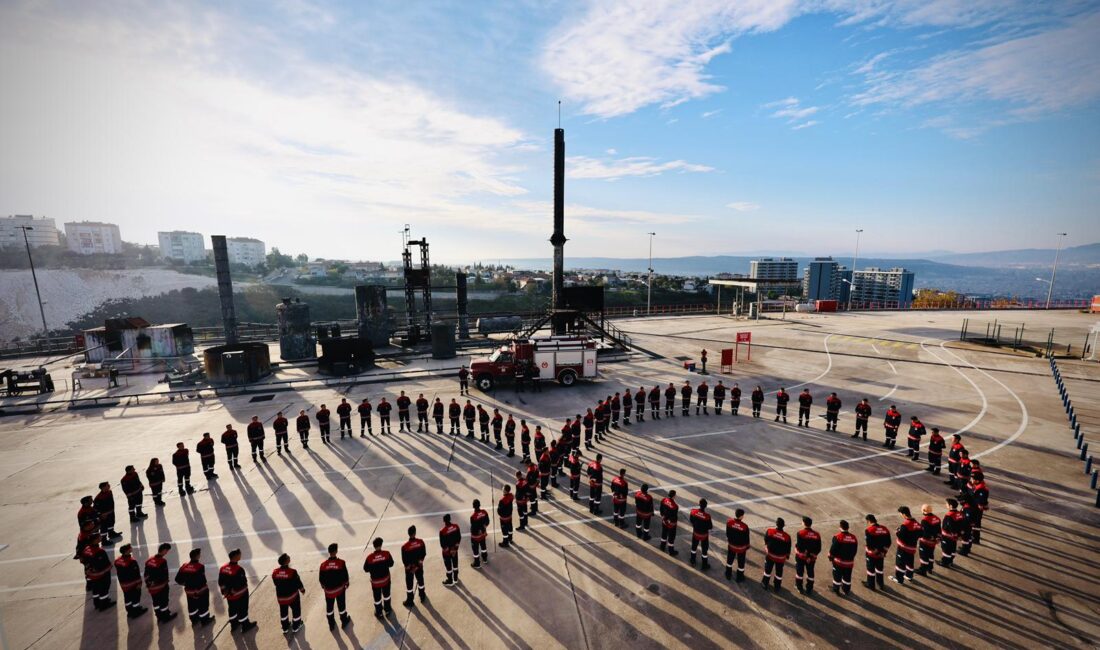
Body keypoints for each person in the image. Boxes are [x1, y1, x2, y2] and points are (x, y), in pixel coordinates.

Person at [219, 549, 256, 632]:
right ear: (235, 557)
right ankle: (245, 625)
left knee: (232, 609)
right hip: (240, 594)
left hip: (229, 595)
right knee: (242, 609)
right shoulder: (238, 569)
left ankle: (234, 624)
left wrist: (225, 592)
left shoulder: (223, 568)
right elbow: (242, 583)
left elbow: (220, 582)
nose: (240, 555)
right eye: (239, 554)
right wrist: (234, 591)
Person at [175, 548, 214, 625]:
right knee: (203, 605)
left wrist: (186, 584)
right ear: (197, 556)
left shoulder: (184, 566)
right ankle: (205, 620)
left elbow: (177, 579)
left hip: (189, 591)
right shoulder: (200, 566)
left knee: (192, 605)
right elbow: (202, 581)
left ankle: (194, 620)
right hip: (200, 591)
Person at [319, 543, 352, 629]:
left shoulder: (323, 565)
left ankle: (331, 624)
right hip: (340, 590)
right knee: (341, 606)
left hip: (328, 592)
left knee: (329, 607)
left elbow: (321, 579)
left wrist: (324, 586)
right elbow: (345, 575)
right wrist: (346, 583)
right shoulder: (341, 563)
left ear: (329, 552)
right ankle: (344, 621)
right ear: (336, 551)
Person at [145, 543, 177, 622]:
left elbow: (146, 574)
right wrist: (165, 582)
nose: (167, 552)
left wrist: (149, 583)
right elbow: (163, 575)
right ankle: (166, 616)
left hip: (152, 587)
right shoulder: (162, 561)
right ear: (164, 550)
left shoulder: (149, 560)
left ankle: (159, 616)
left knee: (156, 602)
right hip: (161, 586)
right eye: (167, 551)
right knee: (164, 601)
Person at [81, 533, 115, 611]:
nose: (100, 538)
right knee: (104, 588)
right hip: (102, 574)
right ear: (95, 540)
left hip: (93, 575)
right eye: (99, 537)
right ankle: (104, 603)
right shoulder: (99, 551)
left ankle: (97, 603)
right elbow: (104, 563)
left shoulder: (86, 549)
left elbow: (84, 560)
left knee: (95, 589)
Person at [273, 553, 306, 632]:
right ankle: (296, 625)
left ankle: (285, 627)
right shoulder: (292, 572)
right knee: (296, 610)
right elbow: (298, 582)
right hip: (292, 596)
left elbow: (275, 583)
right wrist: (302, 590)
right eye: (288, 557)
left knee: (283, 612)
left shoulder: (275, 572)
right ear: (286, 561)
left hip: (281, 598)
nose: (289, 557)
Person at [363, 538, 394, 618]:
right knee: (386, 595)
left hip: (375, 583)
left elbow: (365, 569)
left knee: (377, 598)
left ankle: (379, 612)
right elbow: (391, 564)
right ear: (381, 545)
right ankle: (387, 610)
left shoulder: (369, 558)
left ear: (374, 546)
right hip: (386, 580)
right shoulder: (386, 554)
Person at [892, 506, 921, 584]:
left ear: (904, 514)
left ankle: (899, 579)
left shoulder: (905, 524)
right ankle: (909, 576)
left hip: (903, 548)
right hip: (912, 548)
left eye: (901, 514)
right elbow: (921, 533)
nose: (901, 515)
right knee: (910, 562)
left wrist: (897, 532)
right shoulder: (916, 523)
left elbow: (901, 536)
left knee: (900, 563)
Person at [761, 518, 792, 592]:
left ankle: (765, 583)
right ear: (783, 526)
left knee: (768, 570)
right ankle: (777, 587)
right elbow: (788, 548)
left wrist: (767, 547)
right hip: (780, 558)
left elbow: (766, 540)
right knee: (779, 572)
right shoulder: (787, 537)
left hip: (770, 556)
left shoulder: (769, 531)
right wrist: (787, 556)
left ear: (776, 524)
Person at [828, 520, 858, 596]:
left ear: (840, 527)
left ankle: (836, 590)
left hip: (839, 562)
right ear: (848, 527)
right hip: (849, 563)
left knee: (837, 577)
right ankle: (846, 590)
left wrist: (830, 557)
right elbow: (855, 550)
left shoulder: (837, 537)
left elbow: (833, 550)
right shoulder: (854, 538)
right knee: (847, 577)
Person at [794, 516, 821, 595]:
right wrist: (811, 556)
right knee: (810, 572)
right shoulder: (817, 535)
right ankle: (809, 589)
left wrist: (796, 548)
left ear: (804, 523)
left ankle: (799, 587)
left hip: (801, 557)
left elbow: (800, 547)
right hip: (811, 559)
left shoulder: (800, 533)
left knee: (799, 572)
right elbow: (819, 548)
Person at [863, 514, 891, 590]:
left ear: (868, 521)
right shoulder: (885, 529)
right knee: (879, 570)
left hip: (872, 555)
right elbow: (888, 542)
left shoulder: (869, 530)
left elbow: (869, 545)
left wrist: (877, 552)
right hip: (881, 555)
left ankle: (870, 585)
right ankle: (880, 584)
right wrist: (883, 552)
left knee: (871, 570)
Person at [401, 526, 428, 606]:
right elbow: (423, 554)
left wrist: (410, 567)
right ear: (415, 532)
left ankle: (410, 600)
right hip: (419, 566)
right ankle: (422, 595)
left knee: (409, 584)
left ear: (408, 534)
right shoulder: (421, 542)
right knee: (420, 580)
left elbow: (404, 560)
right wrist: (417, 565)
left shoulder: (405, 547)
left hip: (409, 569)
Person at [962, 475, 989, 545]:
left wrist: (982, 505)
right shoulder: (976, 486)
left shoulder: (981, 490)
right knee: (974, 524)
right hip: (972, 508)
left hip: (975, 510)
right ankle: (974, 536)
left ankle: (976, 538)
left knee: (976, 524)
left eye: (972, 479)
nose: (971, 479)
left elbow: (981, 501)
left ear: (977, 481)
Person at [917, 504, 941, 576]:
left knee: (924, 556)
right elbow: (939, 530)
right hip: (933, 542)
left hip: (925, 542)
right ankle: (930, 568)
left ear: (924, 510)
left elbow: (925, 533)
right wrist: (937, 538)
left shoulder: (925, 520)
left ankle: (923, 570)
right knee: (930, 554)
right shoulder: (937, 518)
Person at [940, 498, 965, 566]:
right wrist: (958, 535)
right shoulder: (959, 513)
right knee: (952, 549)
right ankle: (950, 561)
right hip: (955, 537)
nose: (946, 505)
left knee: (946, 549)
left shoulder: (949, 515)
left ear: (950, 506)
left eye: (947, 504)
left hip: (947, 536)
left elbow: (950, 527)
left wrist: (953, 534)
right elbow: (961, 524)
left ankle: (945, 562)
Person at [689, 499, 713, 569]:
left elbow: (691, 520)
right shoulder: (707, 516)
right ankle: (704, 565)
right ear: (706, 506)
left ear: (699, 504)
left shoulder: (693, 512)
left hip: (696, 533)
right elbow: (710, 526)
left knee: (694, 547)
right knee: (704, 550)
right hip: (704, 535)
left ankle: (692, 560)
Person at [439, 514, 461, 586]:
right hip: (455, 551)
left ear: (444, 521)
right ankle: (455, 578)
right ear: (450, 519)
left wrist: (449, 551)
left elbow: (442, 544)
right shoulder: (456, 527)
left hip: (447, 553)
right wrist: (455, 549)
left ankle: (450, 580)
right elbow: (459, 538)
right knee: (455, 565)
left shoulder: (442, 531)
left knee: (448, 567)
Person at [469, 500, 490, 569]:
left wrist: (478, 531)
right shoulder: (484, 512)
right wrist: (484, 528)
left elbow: (474, 527)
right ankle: (485, 559)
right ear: (479, 505)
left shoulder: (473, 516)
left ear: (473, 506)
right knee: (483, 546)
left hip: (475, 536)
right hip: (483, 534)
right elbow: (487, 521)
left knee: (475, 550)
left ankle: (477, 563)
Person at [659, 489, 680, 556]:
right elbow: (674, 517)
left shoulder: (663, 500)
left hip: (664, 521)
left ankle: (662, 546)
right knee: (671, 537)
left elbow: (661, 509)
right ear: (673, 496)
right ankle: (671, 551)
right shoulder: (675, 506)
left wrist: (662, 516)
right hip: (671, 524)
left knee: (664, 533)